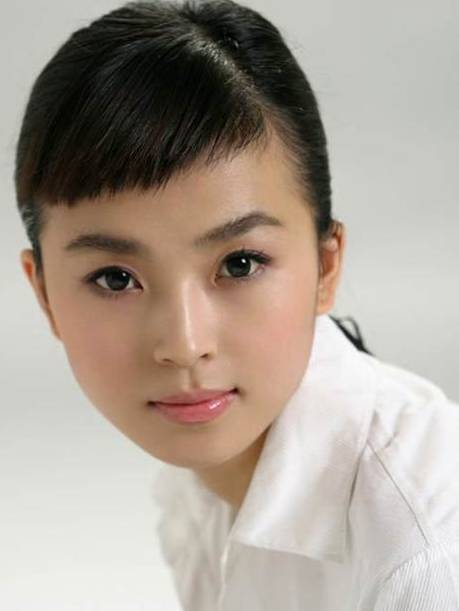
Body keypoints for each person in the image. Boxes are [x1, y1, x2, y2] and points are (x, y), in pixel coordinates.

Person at [14, 0, 458, 609]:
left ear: (326, 266)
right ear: (43, 294)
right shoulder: (193, 493)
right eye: (115, 279)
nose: (184, 344)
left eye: (240, 264)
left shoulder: (427, 559)